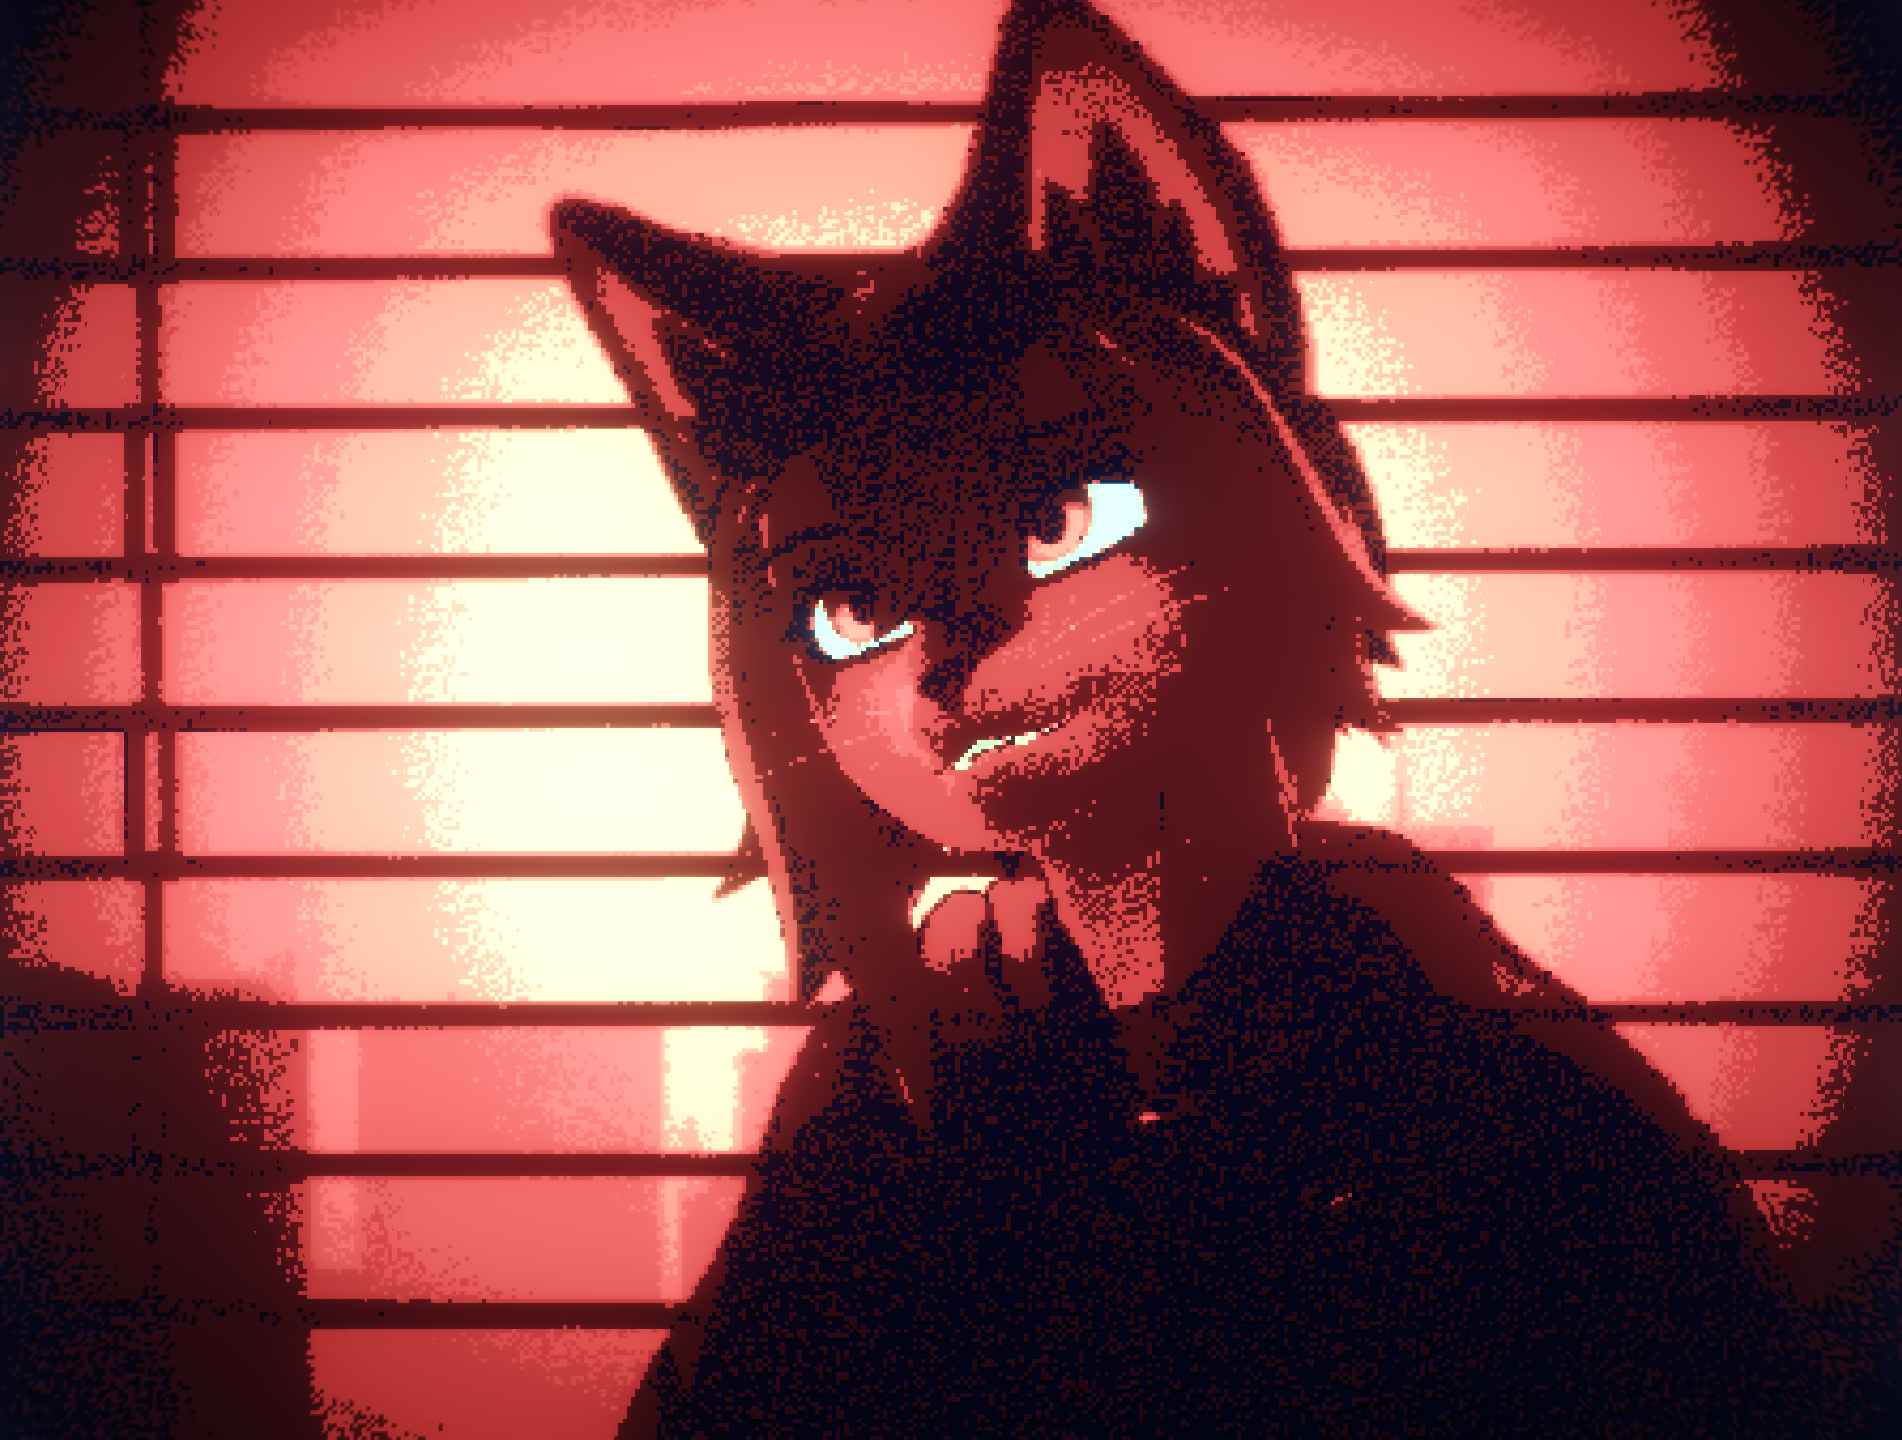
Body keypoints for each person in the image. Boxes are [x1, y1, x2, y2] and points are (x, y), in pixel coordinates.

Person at [552, 0, 1857, 1430]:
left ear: (1259, 507)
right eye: (851, 606)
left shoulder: (1480, 1081)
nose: (946, 649)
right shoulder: (895, 1082)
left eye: (1055, 520)